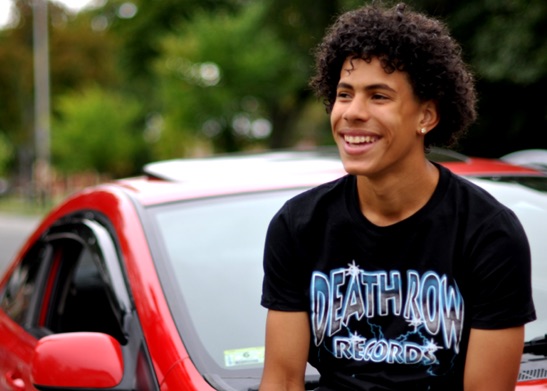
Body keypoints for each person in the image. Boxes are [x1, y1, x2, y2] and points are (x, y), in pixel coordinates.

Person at [260, 3, 536, 391]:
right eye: (344, 94)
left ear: (426, 116)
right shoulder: (299, 225)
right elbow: (283, 382)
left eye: (378, 96)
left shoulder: (488, 233)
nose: (352, 113)